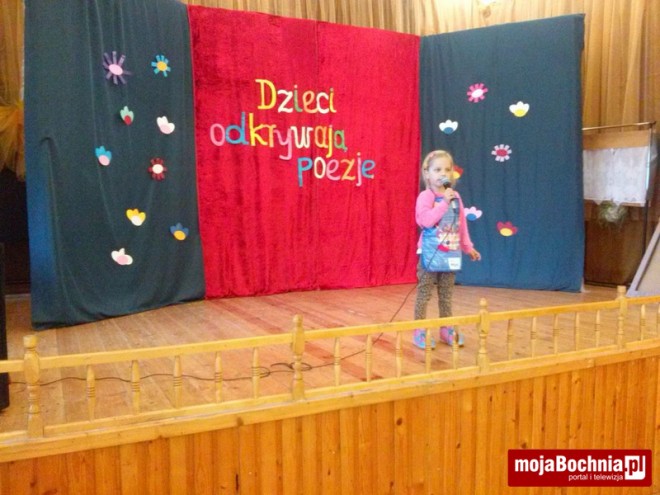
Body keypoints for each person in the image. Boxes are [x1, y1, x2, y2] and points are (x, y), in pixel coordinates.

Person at [413, 150, 481, 349]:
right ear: (427, 174)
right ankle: (419, 329)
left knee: (446, 294)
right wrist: (443, 202)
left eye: (447, 169)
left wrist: (468, 247)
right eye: (437, 169)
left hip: (450, 252)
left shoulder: (456, 196)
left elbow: (461, 224)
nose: (443, 173)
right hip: (429, 254)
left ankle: (446, 328)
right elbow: (425, 221)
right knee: (424, 293)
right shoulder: (425, 196)